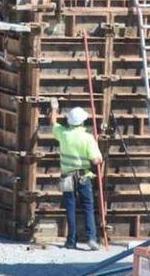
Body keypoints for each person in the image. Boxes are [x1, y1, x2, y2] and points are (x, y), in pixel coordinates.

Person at [49, 98, 103, 250]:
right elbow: (96, 160)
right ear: (82, 122)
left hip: (67, 178)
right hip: (83, 178)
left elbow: (53, 123)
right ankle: (91, 238)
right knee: (87, 207)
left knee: (70, 208)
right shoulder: (87, 138)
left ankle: (71, 241)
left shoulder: (64, 134)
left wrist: (54, 108)